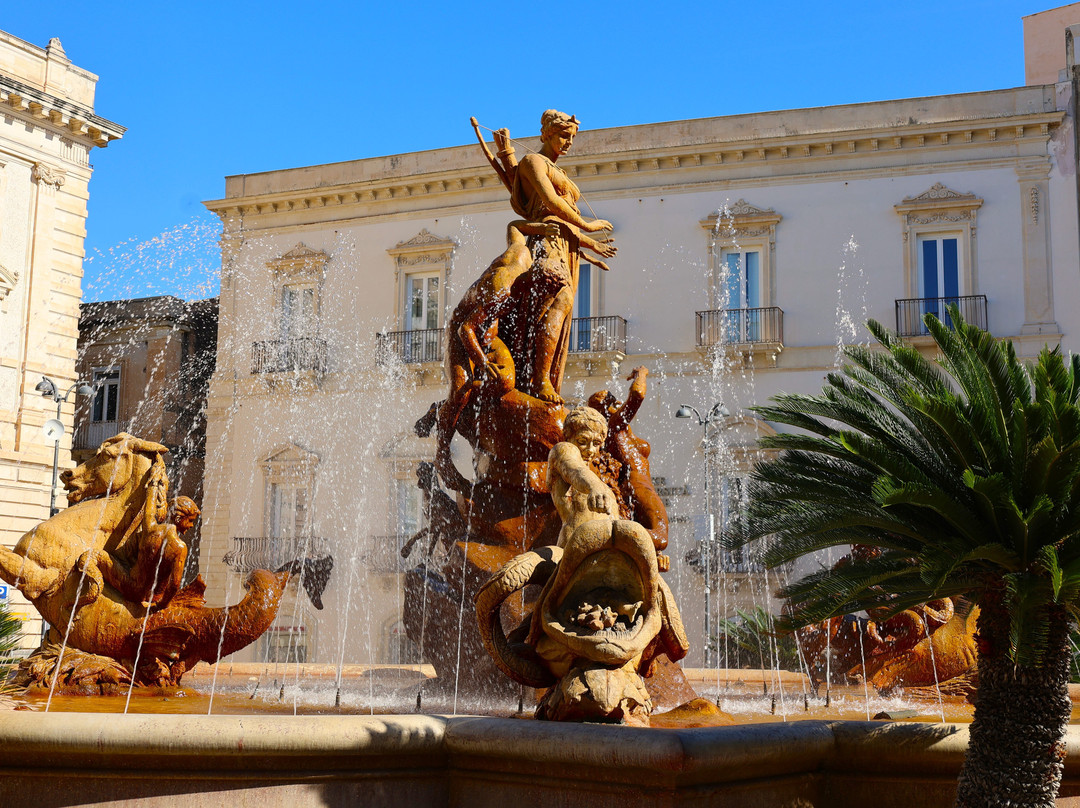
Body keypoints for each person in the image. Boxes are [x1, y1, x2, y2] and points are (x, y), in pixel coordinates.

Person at [505, 110, 617, 403]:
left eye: (572, 138)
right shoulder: (532, 162)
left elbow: (563, 219)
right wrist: (588, 225)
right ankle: (539, 380)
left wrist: (589, 247)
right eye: (563, 136)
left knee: (561, 310)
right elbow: (551, 203)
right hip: (547, 240)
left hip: (567, 248)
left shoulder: (559, 170)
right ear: (546, 134)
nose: (568, 142)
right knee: (559, 301)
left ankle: (546, 380)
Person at [586, 367, 669, 569]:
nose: (618, 405)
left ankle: (625, 543)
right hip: (637, 487)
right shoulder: (614, 426)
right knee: (661, 536)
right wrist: (642, 374)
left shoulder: (621, 432)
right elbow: (637, 395)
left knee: (658, 538)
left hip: (639, 489)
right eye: (612, 403)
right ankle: (616, 539)